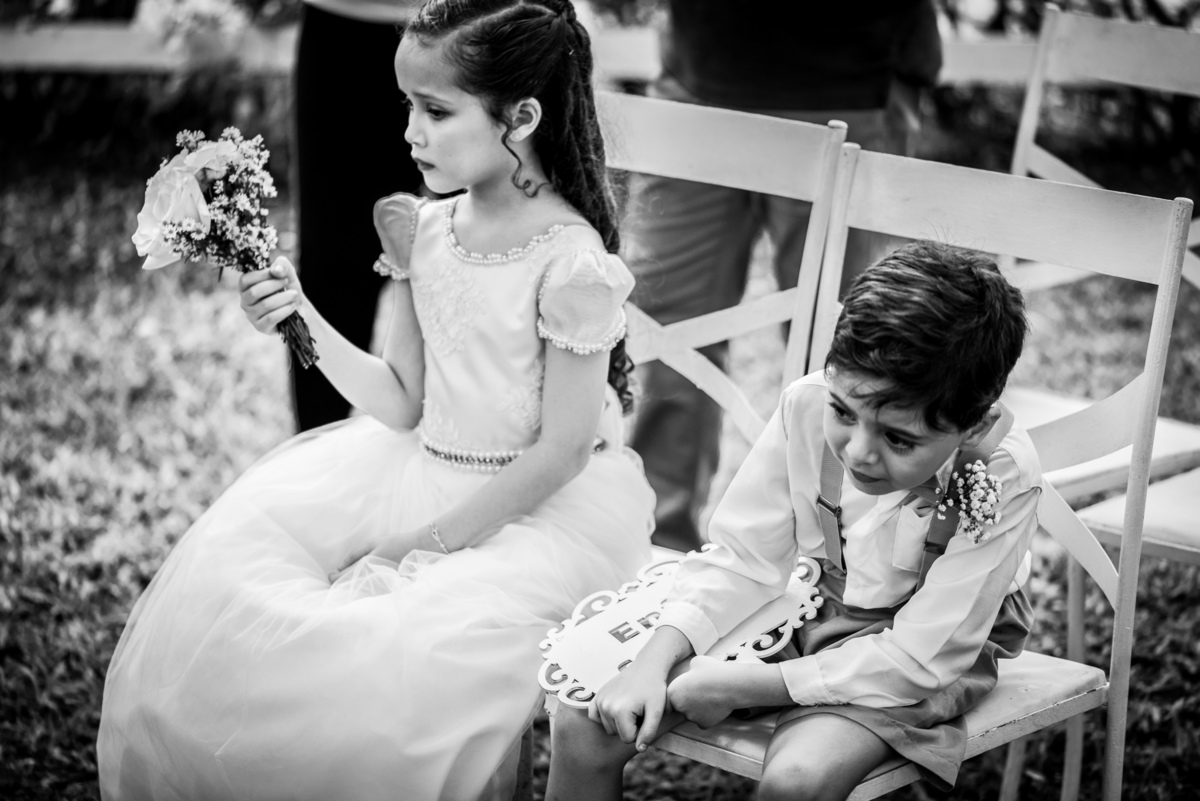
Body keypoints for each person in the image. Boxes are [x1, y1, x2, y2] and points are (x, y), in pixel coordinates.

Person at [98, 2, 655, 799]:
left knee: (400, 649)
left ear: (522, 115)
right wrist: (301, 315)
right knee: (241, 584)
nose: (409, 134)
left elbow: (562, 452)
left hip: (530, 515)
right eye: (407, 107)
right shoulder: (427, 230)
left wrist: (419, 544)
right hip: (418, 467)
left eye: (435, 110)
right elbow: (400, 401)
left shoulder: (570, 261)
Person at [546, 241, 1041, 801]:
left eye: (899, 439)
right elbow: (745, 558)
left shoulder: (1001, 475)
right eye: (843, 413)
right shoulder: (805, 407)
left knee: (797, 781)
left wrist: (743, 685)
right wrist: (652, 660)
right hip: (810, 599)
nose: (858, 452)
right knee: (583, 723)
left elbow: (921, 658)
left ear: (974, 421)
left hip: (927, 643)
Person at [623, 0, 944, 552]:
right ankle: (656, 545)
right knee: (666, 339)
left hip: (853, 85)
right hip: (698, 83)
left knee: (850, 349)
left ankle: (837, 557)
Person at [292, 0, 428, 431]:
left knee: (490, 251)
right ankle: (318, 450)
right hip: (345, 26)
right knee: (333, 273)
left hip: (477, 25)